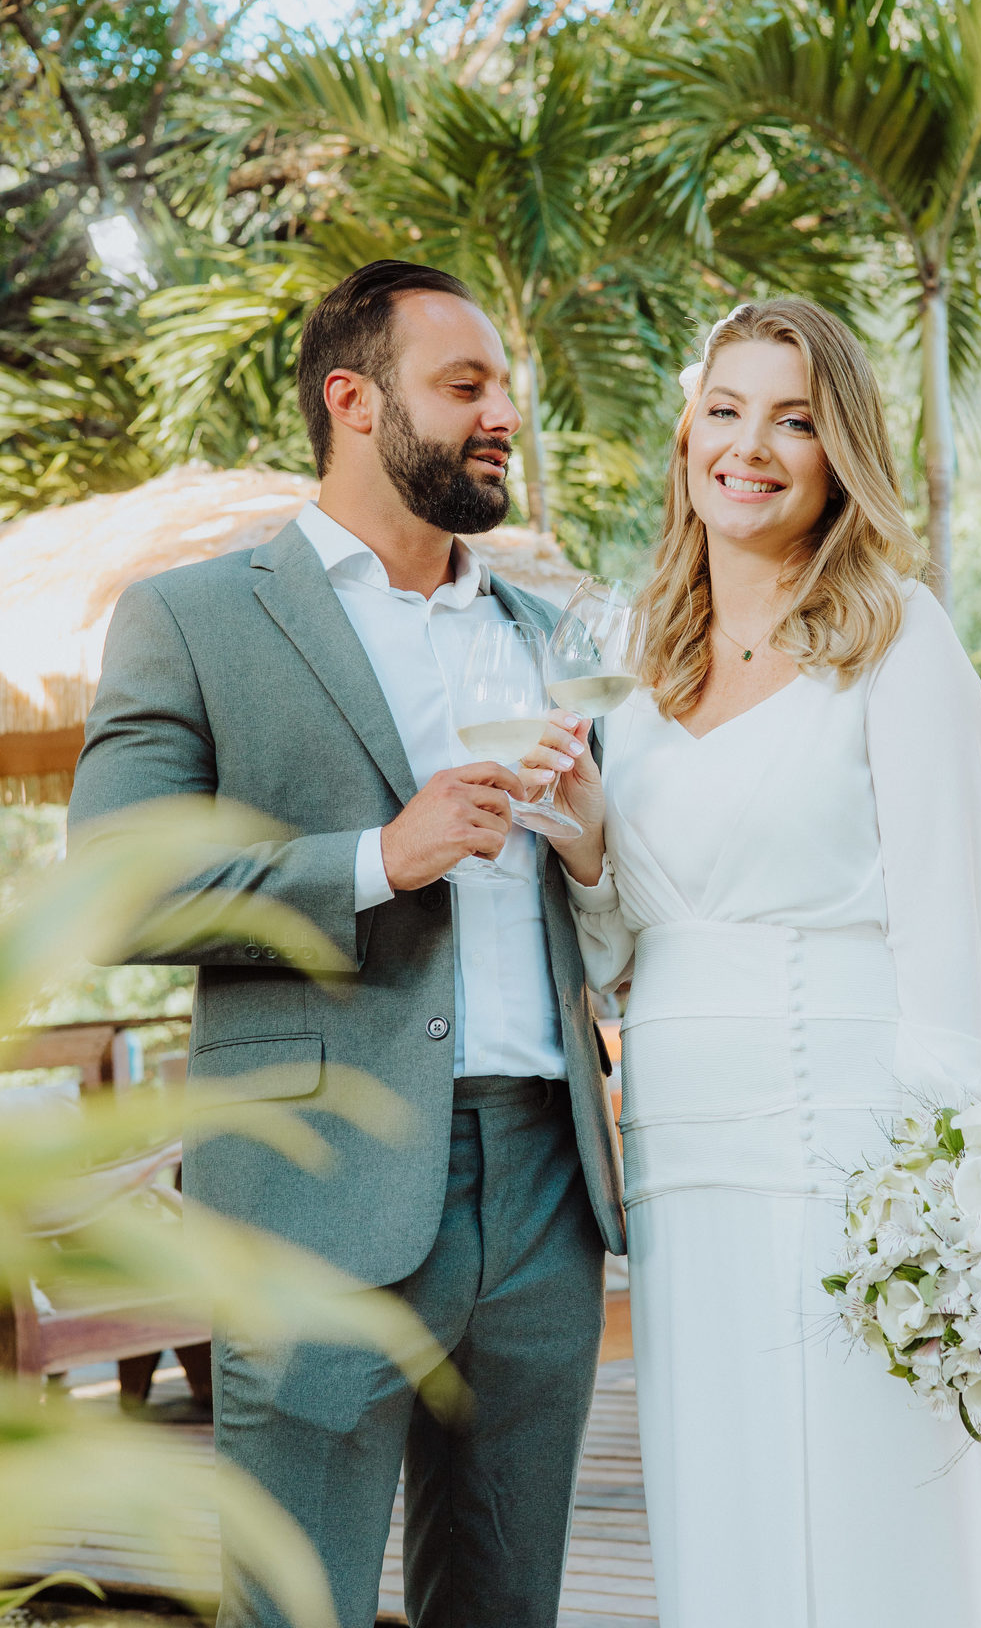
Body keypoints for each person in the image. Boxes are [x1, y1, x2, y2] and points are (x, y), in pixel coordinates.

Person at [67, 260, 624, 1628]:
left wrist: (598, 847)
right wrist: (382, 858)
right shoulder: (194, 621)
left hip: (546, 1184)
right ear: (354, 401)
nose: (506, 410)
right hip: (315, 1198)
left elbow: (611, 918)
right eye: (467, 384)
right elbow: (116, 891)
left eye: (506, 385)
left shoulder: (552, 636)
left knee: (505, 1604)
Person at [529, 297, 981, 1627]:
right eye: (728, 411)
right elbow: (623, 956)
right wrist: (583, 851)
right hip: (684, 1149)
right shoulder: (639, 659)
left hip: (848, 1138)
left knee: (866, 1508)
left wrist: (957, 1204)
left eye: (795, 418)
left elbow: (944, 929)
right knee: (722, 1501)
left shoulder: (897, 636)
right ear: (689, 435)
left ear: (838, 448)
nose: (753, 446)